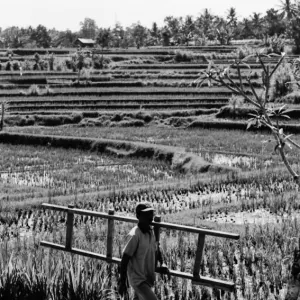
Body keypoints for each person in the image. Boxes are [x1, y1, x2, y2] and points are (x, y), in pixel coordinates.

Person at [118, 202, 169, 300]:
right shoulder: (135, 236)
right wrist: (122, 282)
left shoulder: (151, 232)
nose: (150, 217)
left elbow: (156, 249)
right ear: (138, 216)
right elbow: (125, 259)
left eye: (151, 214)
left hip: (147, 277)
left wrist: (162, 263)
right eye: (146, 214)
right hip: (138, 280)